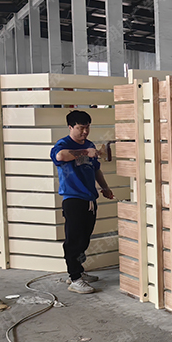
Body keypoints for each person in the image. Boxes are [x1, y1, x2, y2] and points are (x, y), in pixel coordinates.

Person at [50, 110, 114, 294]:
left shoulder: (89, 144)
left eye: (87, 127)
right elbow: (60, 157)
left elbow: (96, 169)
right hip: (73, 199)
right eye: (80, 128)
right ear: (70, 127)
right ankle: (75, 279)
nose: (85, 132)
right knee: (74, 240)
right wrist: (86, 152)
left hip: (90, 199)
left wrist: (105, 187)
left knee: (84, 238)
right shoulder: (64, 144)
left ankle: (78, 271)